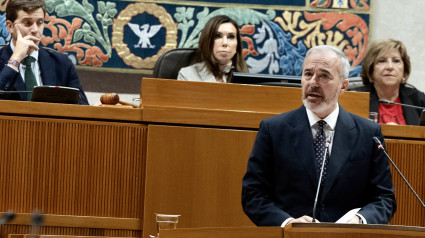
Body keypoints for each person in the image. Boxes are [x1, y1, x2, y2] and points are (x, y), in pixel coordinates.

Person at [241, 45, 396, 226]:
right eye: (308, 74)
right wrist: (287, 223)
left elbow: (384, 198)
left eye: (324, 76)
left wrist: (359, 220)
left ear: (343, 86)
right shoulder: (274, 129)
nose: (313, 83)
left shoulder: (369, 133)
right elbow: (253, 194)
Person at [0, 0, 89, 105]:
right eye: (27, 23)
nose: (35, 30)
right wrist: (16, 59)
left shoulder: (62, 64)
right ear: (10, 26)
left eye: (39, 23)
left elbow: (82, 108)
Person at [353, 39, 425, 125]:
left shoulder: (418, 100)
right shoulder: (355, 98)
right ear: (371, 68)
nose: (390, 67)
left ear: (404, 68)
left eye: (396, 61)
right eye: (382, 61)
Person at [177, 15, 248, 83]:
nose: (225, 43)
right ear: (207, 42)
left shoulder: (245, 76)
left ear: (237, 45)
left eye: (231, 37)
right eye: (218, 36)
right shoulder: (187, 75)